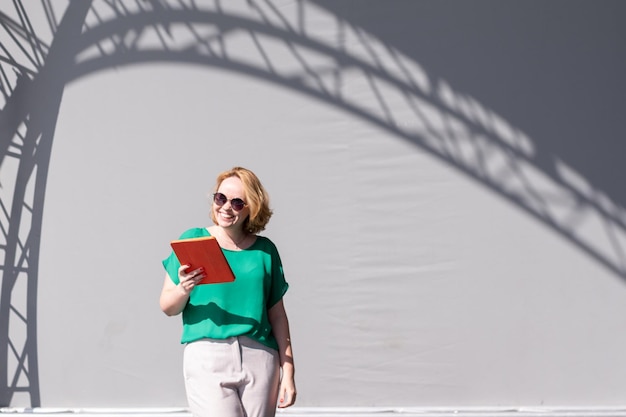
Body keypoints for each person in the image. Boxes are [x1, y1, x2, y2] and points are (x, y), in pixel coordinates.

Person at [159, 166, 296, 417]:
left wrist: (288, 371)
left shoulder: (265, 251)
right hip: (207, 356)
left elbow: (277, 315)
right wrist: (184, 289)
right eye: (220, 198)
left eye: (237, 202)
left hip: (261, 357)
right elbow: (168, 306)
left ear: (251, 207)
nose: (225, 207)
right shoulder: (193, 241)